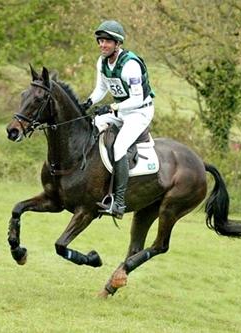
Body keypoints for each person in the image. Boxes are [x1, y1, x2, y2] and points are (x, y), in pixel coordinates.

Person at [80, 20, 155, 219]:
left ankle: (119, 202)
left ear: (117, 44)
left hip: (140, 112)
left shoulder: (130, 65)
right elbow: (101, 89)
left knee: (119, 147)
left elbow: (137, 98)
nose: (102, 45)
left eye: (107, 42)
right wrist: (87, 102)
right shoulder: (102, 62)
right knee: (92, 126)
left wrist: (113, 106)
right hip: (122, 110)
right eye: (100, 41)